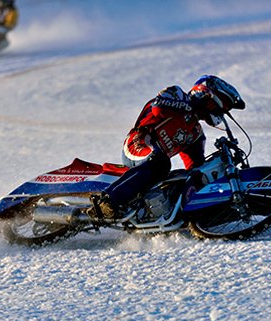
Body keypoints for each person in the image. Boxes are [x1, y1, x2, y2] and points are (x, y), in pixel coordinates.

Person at [88, 75, 245, 221]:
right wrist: (190, 107)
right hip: (139, 142)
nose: (222, 113)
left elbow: (195, 166)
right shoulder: (177, 94)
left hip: (155, 159)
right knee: (161, 163)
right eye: (223, 107)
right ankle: (108, 200)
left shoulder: (196, 132)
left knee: (185, 177)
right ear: (211, 95)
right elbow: (158, 107)